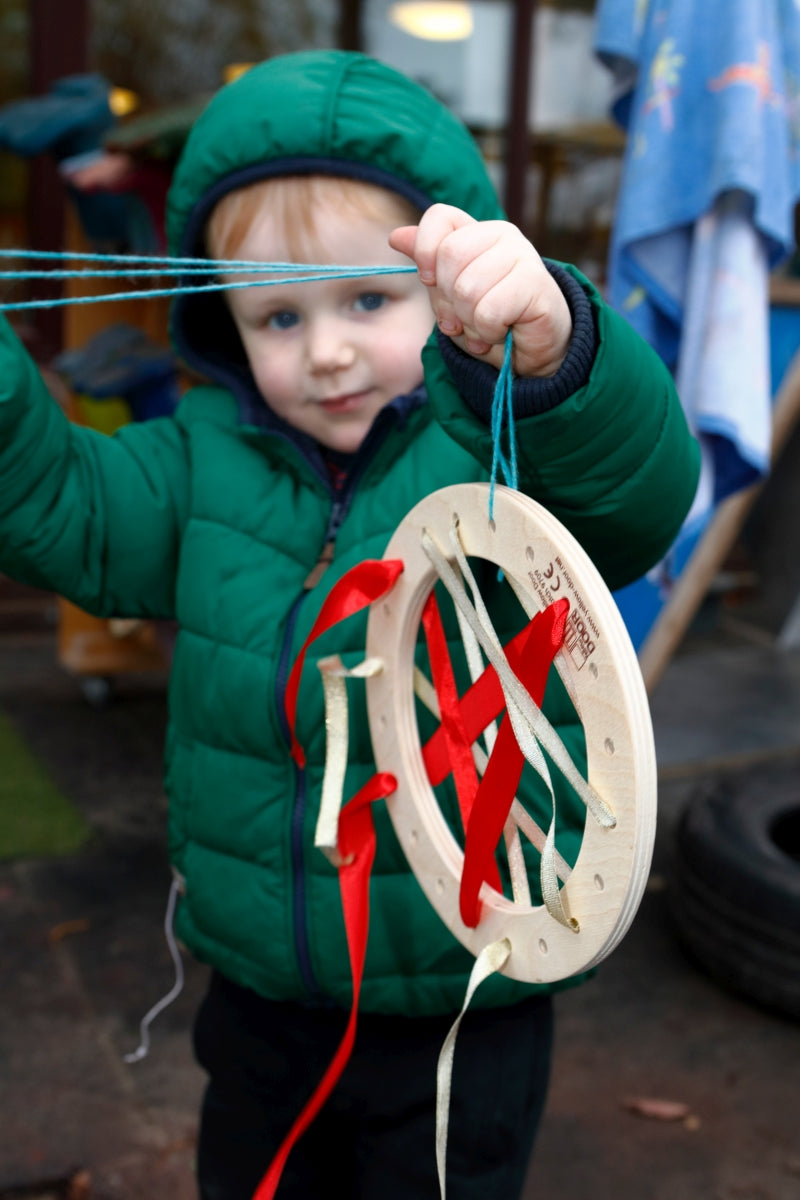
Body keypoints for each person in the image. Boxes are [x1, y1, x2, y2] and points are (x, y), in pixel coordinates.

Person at [0, 50, 700, 1200]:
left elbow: (635, 492)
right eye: (277, 314)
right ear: (222, 326)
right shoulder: (191, 467)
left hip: (462, 1002)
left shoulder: (495, 446)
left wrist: (551, 354)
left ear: (446, 289)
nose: (323, 352)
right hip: (258, 994)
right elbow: (55, 506)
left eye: (366, 300)